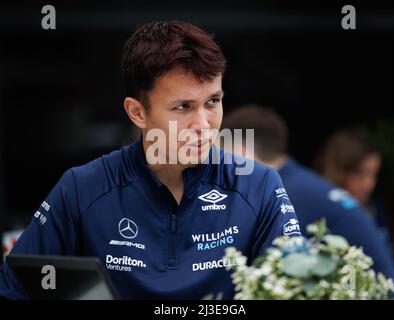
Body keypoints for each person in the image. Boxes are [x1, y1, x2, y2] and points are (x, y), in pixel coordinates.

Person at [0, 21, 301, 299]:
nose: (203, 124)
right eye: (183, 106)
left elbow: (297, 289)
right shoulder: (82, 188)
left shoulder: (258, 185)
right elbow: (14, 289)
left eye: (213, 101)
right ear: (137, 112)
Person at [222, 105, 394, 285]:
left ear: (241, 151)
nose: (218, 168)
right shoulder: (300, 184)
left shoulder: (283, 192)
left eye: (221, 155)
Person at [315, 128, 394, 259]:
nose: (369, 184)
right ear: (339, 171)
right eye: (359, 173)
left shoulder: (376, 210)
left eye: (373, 175)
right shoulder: (320, 215)